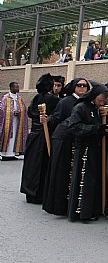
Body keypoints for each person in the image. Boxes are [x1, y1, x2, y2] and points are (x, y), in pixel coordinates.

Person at [42, 78, 90, 215]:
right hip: (63, 140)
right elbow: (56, 118)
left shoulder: (85, 102)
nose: (82, 88)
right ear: (73, 87)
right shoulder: (66, 101)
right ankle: (58, 205)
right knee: (61, 173)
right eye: (79, 85)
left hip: (76, 141)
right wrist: (47, 120)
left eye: (85, 86)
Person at [67, 82, 108, 222]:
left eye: (105, 98)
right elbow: (74, 127)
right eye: (101, 97)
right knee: (84, 180)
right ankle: (81, 212)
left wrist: (107, 128)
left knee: (93, 180)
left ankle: (92, 210)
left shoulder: (100, 109)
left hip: (95, 149)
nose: (103, 101)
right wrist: (97, 129)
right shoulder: (81, 107)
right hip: (84, 149)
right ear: (94, 95)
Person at [20, 73, 60, 204]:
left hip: (34, 136)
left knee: (32, 165)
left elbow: (31, 112)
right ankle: (40, 194)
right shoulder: (53, 99)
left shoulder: (37, 97)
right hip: (43, 136)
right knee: (41, 165)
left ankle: (30, 192)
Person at [0, 82, 28, 160]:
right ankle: (5, 154)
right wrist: (12, 112)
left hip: (17, 121)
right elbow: (2, 109)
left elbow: (24, 108)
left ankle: (13, 153)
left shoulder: (19, 98)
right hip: (8, 122)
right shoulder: (5, 98)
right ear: (11, 88)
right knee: (8, 136)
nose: (18, 88)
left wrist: (20, 111)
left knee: (16, 135)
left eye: (18, 87)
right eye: (16, 87)